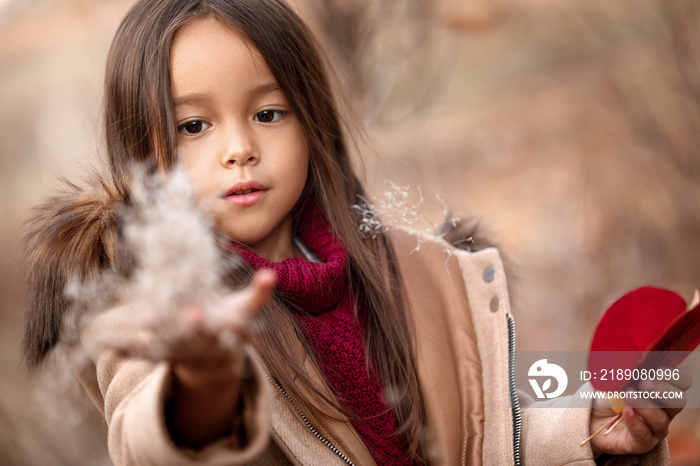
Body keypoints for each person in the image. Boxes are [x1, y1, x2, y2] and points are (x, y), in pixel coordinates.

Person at [21, 0, 689, 464]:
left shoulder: (419, 271)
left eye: (269, 112)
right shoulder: (159, 318)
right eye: (193, 126)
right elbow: (153, 441)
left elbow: (482, 430)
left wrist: (582, 431)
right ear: (144, 156)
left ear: (313, 122)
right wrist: (200, 388)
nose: (239, 148)